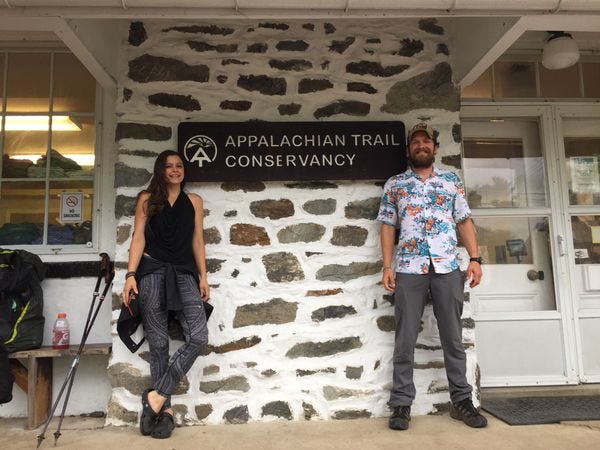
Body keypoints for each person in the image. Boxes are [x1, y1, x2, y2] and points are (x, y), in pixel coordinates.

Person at [377, 122, 487, 431]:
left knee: (453, 338)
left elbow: (464, 220)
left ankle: (462, 401)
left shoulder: (451, 181)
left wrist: (475, 259)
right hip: (409, 268)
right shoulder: (395, 184)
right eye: (416, 142)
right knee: (404, 339)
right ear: (408, 149)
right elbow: (387, 226)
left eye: (427, 141)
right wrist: (387, 266)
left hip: (448, 267)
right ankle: (401, 404)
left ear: (435, 148)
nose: (421, 146)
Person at [122, 150, 210, 439]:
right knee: (159, 343)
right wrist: (130, 275)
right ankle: (165, 412)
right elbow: (138, 237)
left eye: (179, 166)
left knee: (198, 337)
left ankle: (156, 396)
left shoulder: (194, 201)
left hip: (184, 272)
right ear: (160, 170)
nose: (175, 170)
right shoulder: (147, 199)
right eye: (169, 166)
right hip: (152, 272)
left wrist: (203, 275)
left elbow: (197, 240)